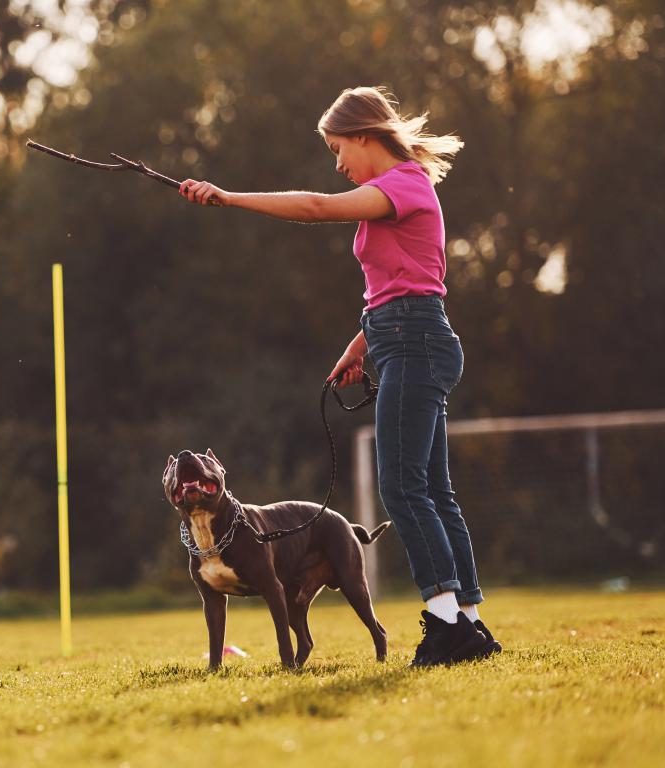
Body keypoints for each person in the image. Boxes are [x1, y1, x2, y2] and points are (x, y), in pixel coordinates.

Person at [179, 86, 501, 667]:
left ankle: (448, 622)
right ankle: (471, 624)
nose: (337, 164)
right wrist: (362, 342)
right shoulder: (400, 190)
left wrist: (227, 197)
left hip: (415, 343)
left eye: (336, 148)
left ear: (362, 135)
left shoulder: (403, 184)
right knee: (433, 490)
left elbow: (316, 207)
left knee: (402, 487)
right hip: (405, 337)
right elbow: (402, 284)